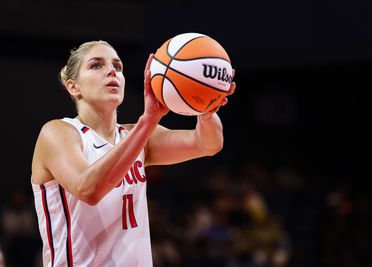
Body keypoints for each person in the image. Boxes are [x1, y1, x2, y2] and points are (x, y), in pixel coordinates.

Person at [31, 40, 235, 267]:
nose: (111, 71)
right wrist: (148, 121)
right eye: (96, 65)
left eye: (118, 67)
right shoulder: (58, 132)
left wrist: (205, 106)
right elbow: (88, 189)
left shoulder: (137, 137)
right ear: (73, 86)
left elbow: (208, 144)